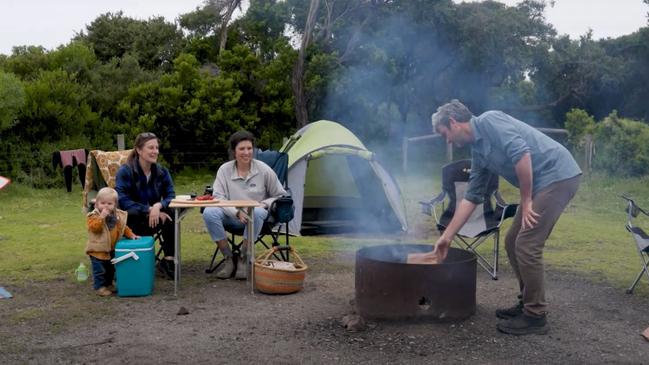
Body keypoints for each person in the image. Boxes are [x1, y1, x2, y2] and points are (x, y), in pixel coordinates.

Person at [410, 99, 581, 336]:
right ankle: (527, 301)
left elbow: (522, 154)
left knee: (528, 244)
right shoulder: (478, 151)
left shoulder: (490, 121)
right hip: (541, 184)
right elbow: (472, 197)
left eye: (444, 134)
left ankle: (536, 315)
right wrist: (446, 237)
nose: (447, 141)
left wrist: (527, 199)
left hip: (558, 175)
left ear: (453, 122)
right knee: (513, 242)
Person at [202, 131, 287, 280]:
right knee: (209, 212)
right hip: (230, 216)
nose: (246, 152)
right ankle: (228, 259)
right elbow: (218, 197)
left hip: (256, 217)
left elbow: (280, 195)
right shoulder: (224, 170)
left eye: (249, 148)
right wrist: (236, 213)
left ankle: (243, 259)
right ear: (234, 151)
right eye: (242, 149)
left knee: (259, 212)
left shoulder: (264, 169)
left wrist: (262, 204)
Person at [115, 132, 176, 279]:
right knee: (132, 212)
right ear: (139, 150)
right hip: (132, 223)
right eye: (151, 148)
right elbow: (122, 200)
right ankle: (131, 261)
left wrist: (158, 206)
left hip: (155, 219)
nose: (155, 151)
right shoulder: (125, 171)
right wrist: (148, 209)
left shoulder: (162, 171)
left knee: (171, 215)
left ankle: (168, 261)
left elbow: (170, 195)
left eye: (156, 147)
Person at [85, 187, 139, 296]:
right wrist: (102, 217)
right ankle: (100, 287)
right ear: (96, 204)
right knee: (100, 271)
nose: (105, 206)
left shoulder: (116, 216)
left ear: (115, 205)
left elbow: (123, 227)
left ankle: (109, 284)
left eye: (109, 203)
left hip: (111, 249)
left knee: (110, 269)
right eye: (102, 203)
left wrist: (131, 235)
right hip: (97, 250)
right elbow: (95, 228)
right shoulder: (93, 216)